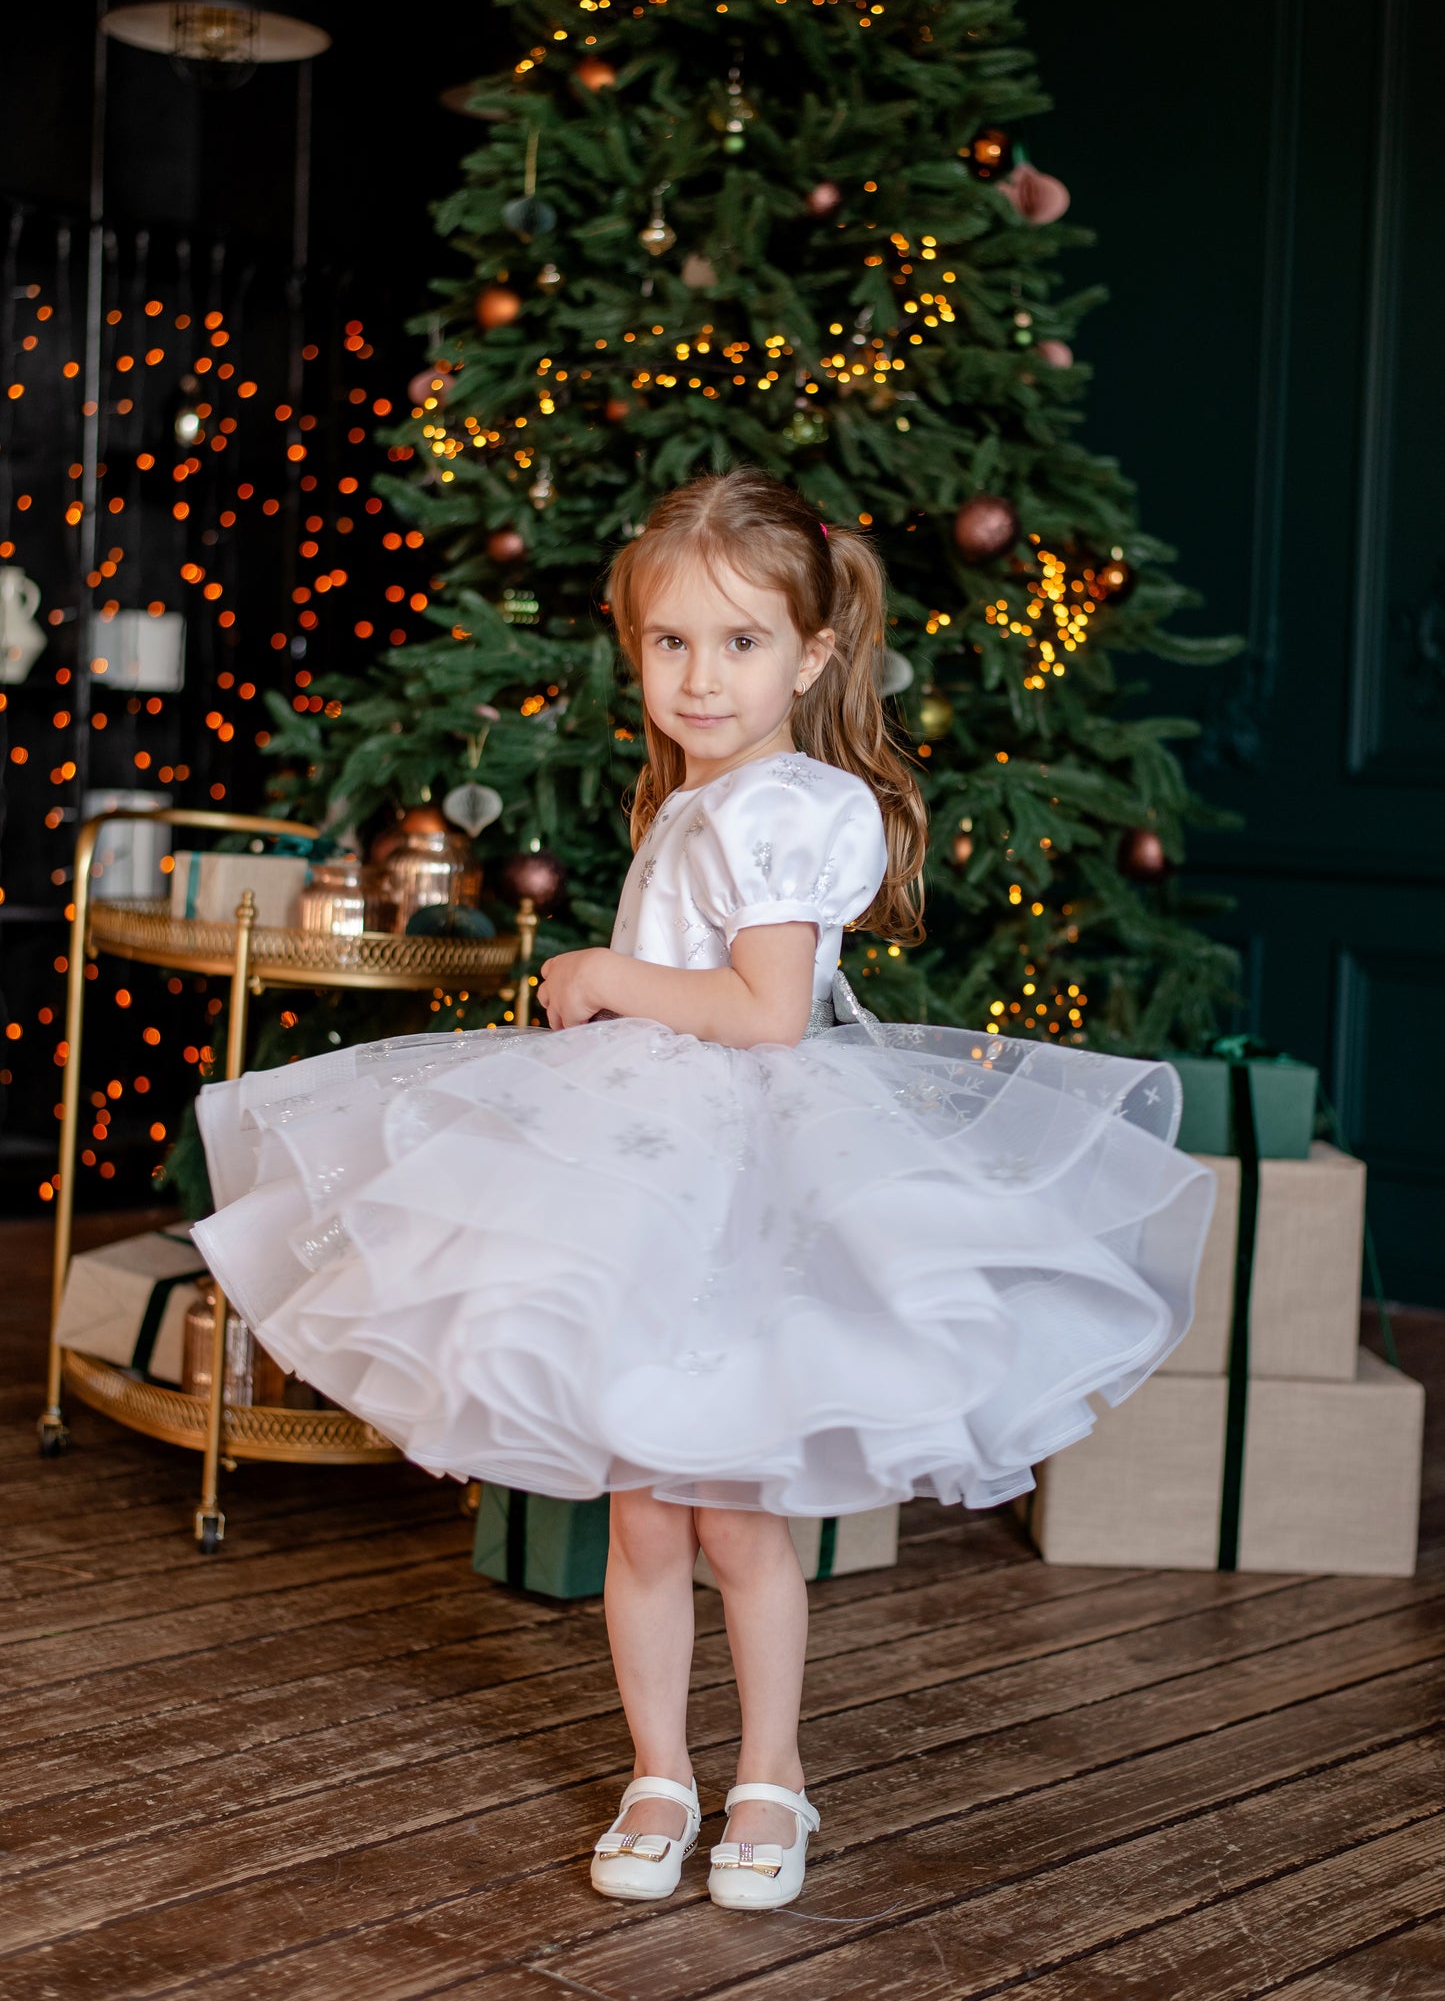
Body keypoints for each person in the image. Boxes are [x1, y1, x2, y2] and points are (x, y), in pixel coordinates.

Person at [194, 465, 1215, 1914]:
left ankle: (772, 1776)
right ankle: (661, 1773)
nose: (698, 677)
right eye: (669, 642)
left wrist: (604, 975)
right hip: (649, 1174)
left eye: (739, 643)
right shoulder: (703, 795)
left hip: (743, 1178)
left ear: (809, 654)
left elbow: (768, 1013)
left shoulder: (786, 806)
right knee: (644, 1517)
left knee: (735, 1519)